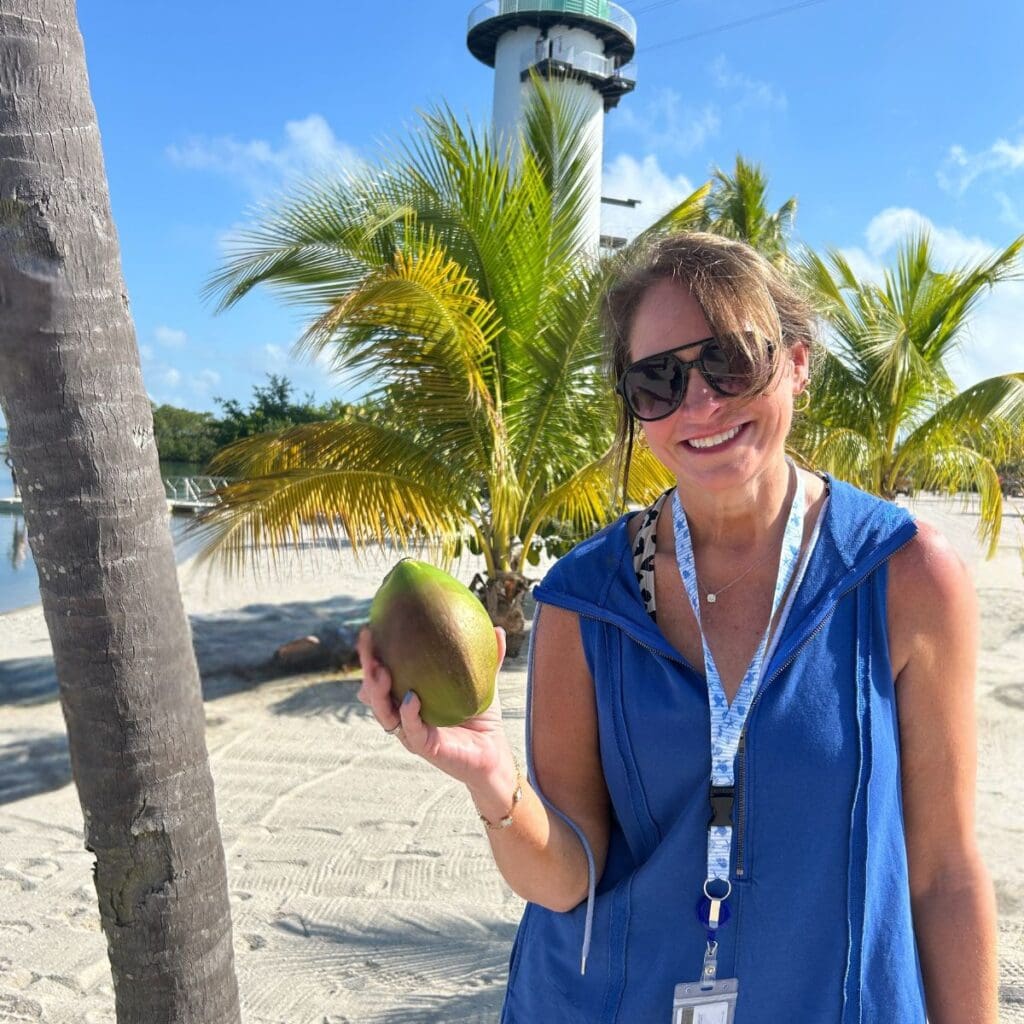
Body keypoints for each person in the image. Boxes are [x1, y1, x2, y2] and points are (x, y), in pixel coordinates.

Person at [357, 233, 998, 1023]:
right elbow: (567, 878)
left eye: (732, 359)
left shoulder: (904, 578)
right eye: (658, 380)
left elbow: (944, 872)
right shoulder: (584, 598)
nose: (700, 404)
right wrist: (492, 777)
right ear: (633, 404)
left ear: (796, 363)